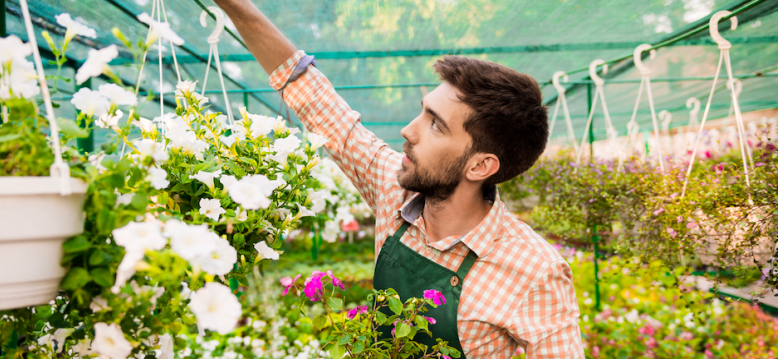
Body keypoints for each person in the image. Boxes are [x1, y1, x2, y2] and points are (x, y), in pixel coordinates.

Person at [213, 1, 584, 357]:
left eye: (436, 125)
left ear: (479, 167)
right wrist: (235, 6)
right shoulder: (395, 191)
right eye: (422, 113)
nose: (408, 130)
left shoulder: (535, 271)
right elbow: (317, 101)